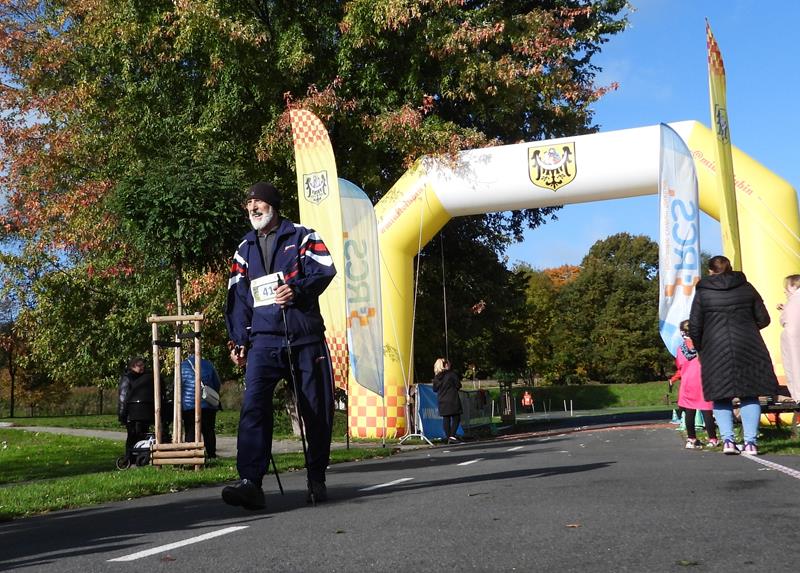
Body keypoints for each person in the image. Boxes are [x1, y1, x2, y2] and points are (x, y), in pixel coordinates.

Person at [223, 181, 336, 510]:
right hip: (263, 341)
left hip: (305, 338)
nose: (253, 207)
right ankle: (250, 483)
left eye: (258, 202)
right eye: (249, 203)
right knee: (254, 406)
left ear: (273, 205)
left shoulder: (302, 235)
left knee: (316, 410)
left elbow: (325, 269)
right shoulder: (243, 249)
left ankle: (317, 476)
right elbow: (237, 298)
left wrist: (296, 290)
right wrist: (238, 340)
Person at [689, 255, 778, 456]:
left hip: (714, 348)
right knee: (750, 394)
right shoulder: (747, 288)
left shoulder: (703, 293)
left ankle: (728, 440)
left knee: (720, 395)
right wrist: (748, 328)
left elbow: (695, 326)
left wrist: (701, 346)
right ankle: (751, 443)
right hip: (748, 345)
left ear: (710, 271)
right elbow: (764, 319)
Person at [669, 320, 718, 449]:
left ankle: (691, 439)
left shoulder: (680, 349)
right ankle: (713, 439)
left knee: (689, 412)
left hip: (687, 383)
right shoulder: (704, 346)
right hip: (704, 381)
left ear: (682, 332)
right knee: (707, 411)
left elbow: (679, 365)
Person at [180, 353, 222, 458]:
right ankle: (211, 454)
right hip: (207, 403)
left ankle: (190, 454)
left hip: (188, 404)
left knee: (190, 430)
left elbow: (178, 385)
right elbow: (217, 383)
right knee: (209, 430)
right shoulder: (208, 364)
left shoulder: (182, 366)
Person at [117, 357, 155, 462]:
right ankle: (129, 457)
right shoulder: (128, 378)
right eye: (140, 365)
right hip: (131, 413)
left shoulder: (144, 377)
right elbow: (123, 397)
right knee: (133, 435)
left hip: (143, 411)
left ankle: (141, 456)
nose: (142, 367)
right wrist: (122, 414)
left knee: (143, 434)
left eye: (143, 365)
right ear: (133, 366)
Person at [778, 274, 800, 401]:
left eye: (786, 287)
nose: (784, 291)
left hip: (793, 344)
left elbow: (785, 320)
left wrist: (784, 312)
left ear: (792, 286)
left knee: (795, 371)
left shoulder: (793, 300)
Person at [432, 358, 463, 443]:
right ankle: (452, 436)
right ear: (445, 365)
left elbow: (435, 389)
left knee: (446, 418)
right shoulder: (451, 374)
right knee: (456, 417)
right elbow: (458, 385)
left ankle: (448, 436)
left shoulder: (437, 377)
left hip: (442, 399)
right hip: (452, 399)